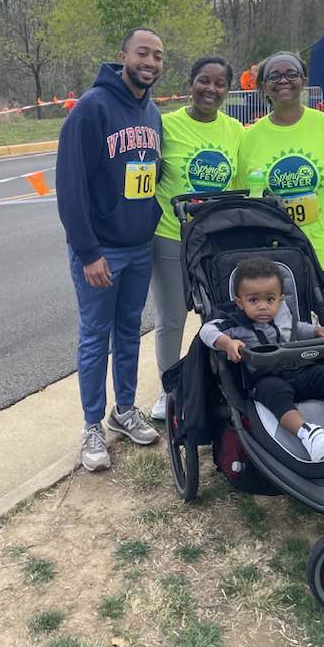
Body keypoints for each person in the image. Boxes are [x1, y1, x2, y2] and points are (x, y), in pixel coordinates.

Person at [56, 28, 164, 472]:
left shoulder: (153, 113)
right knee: (94, 338)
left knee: (128, 334)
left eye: (158, 56)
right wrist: (88, 253)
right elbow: (70, 188)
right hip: (101, 251)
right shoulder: (90, 110)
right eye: (143, 53)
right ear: (122, 55)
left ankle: (124, 411)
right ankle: (91, 426)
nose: (151, 62)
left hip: (140, 247)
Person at [199, 257, 324, 461]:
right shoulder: (233, 320)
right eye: (253, 300)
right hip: (264, 377)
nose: (263, 306)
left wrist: (316, 331)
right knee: (275, 393)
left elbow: (296, 329)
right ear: (239, 301)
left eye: (270, 299)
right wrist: (227, 343)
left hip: (299, 368)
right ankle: (308, 433)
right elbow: (206, 330)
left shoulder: (283, 312)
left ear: (280, 298)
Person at [149, 55, 243, 419]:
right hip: (170, 236)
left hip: (214, 239)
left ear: (228, 90)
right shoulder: (165, 125)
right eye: (204, 81)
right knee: (171, 319)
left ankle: (215, 384)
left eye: (220, 84)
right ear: (190, 83)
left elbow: (239, 187)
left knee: (216, 316)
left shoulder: (235, 131)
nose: (211, 89)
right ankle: (169, 390)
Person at [235, 52, 324, 316]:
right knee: (281, 329)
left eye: (291, 74)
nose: (284, 81)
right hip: (275, 249)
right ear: (263, 86)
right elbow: (247, 198)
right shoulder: (249, 138)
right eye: (274, 76)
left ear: (303, 81)